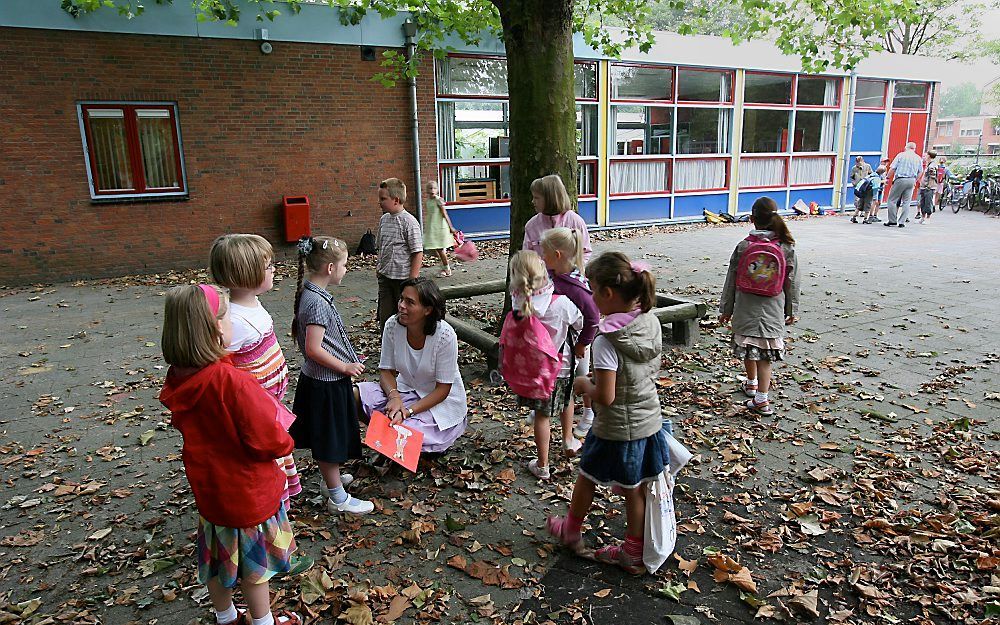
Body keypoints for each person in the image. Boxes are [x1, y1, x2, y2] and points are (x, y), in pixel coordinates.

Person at [159, 284, 301, 625]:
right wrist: (285, 443)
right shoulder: (230, 382)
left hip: (211, 489)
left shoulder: (179, 378)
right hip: (248, 491)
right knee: (255, 569)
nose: (230, 321)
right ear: (212, 328)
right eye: (224, 316)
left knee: (219, 559)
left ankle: (226, 617)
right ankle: (265, 621)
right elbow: (266, 438)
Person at [546, 251, 669, 575]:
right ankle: (632, 551)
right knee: (635, 487)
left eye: (592, 288)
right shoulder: (648, 322)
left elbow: (607, 395)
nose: (589, 294)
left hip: (615, 428)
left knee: (587, 477)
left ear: (608, 294)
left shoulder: (607, 342)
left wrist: (585, 385)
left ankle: (571, 531)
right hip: (647, 419)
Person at [209, 234, 300, 512]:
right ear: (246, 273)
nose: (274, 270)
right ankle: (272, 504)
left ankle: (280, 498)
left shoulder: (253, 303)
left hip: (272, 402)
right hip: (256, 409)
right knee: (267, 459)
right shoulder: (231, 319)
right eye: (268, 266)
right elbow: (223, 367)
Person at [290, 236, 373, 515]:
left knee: (331, 435)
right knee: (328, 439)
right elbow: (314, 349)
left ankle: (332, 482)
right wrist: (345, 367)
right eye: (344, 265)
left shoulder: (312, 294)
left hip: (324, 381)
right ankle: (337, 497)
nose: (346, 269)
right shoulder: (317, 303)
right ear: (329, 269)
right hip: (325, 383)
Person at [356, 277, 468, 453]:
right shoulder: (392, 325)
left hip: (438, 403)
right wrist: (394, 397)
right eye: (401, 299)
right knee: (353, 395)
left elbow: (443, 390)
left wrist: (407, 411)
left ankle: (396, 443)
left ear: (427, 310)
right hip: (404, 390)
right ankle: (385, 439)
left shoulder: (445, 336)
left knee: (402, 431)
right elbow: (386, 371)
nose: (401, 305)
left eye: (410, 302)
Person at [506, 250, 584, 480]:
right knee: (567, 399)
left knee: (542, 416)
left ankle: (542, 464)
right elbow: (580, 323)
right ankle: (567, 440)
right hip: (563, 365)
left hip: (535, 371)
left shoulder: (518, 302)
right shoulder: (562, 303)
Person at [719, 197, 799, 416]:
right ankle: (761, 398)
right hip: (772, 311)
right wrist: (791, 310)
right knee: (765, 355)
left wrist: (726, 308)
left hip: (746, 308)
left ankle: (752, 384)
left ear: (752, 219)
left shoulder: (744, 246)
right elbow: (792, 282)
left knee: (749, 349)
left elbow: (731, 279)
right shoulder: (786, 246)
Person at [540, 227, 599, 438]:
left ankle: (588, 414)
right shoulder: (552, 275)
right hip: (558, 341)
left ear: (556, 256)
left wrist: (583, 343)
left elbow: (593, 317)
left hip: (576, 344)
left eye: (543, 253)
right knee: (564, 379)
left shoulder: (576, 286)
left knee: (579, 377)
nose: (541, 256)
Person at [376, 177, 423, 331]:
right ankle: (387, 345)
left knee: (403, 316)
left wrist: (412, 280)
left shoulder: (409, 222)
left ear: (396, 200)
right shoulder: (384, 220)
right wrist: (379, 268)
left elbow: (417, 252)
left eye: (383, 199)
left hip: (402, 280)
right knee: (385, 317)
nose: (380, 202)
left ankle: (404, 347)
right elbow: (381, 246)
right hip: (385, 277)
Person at [522, 174, 593, 262]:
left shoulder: (575, 221)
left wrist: (573, 271)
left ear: (550, 198)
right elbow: (527, 257)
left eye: (536, 198)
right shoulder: (532, 226)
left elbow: (585, 252)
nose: (533, 201)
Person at [884, 142, 924, 228]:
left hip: (900, 179)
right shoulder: (918, 158)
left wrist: (887, 178)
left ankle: (892, 220)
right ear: (914, 149)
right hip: (911, 180)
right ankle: (902, 221)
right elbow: (920, 171)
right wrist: (915, 180)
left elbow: (893, 168)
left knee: (892, 200)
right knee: (906, 201)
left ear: (906, 147)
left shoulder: (901, 155)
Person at [422, 180, 457, 277]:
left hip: (440, 228)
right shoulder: (428, 201)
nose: (432, 190)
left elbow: (444, 214)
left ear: (437, 190)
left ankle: (447, 269)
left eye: (434, 188)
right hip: (432, 228)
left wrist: (451, 227)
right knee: (433, 250)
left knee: (440, 249)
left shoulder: (438, 200)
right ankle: (444, 266)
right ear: (427, 190)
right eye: (430, 188)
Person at [849, 156, 874, 222]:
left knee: (865, 200)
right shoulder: (854, 168)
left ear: (862, 161)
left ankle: (862, 213)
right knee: (857, 199)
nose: (858, 164)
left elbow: (871, 174)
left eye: (859, 163)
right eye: (857, 163)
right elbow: (852, 176)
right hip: (858, 186)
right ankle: (857, 212)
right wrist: (853, 183)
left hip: (865, 186)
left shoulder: (867, 166)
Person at [918, 150, 940, 224]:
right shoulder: (929, 164)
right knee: (923, 202)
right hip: (924, 186)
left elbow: (932, 177)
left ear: (929, 156)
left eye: (926, 155)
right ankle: (923, 217)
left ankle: (928, 218)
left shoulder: (932, 166)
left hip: (928, 187)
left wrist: (929, 186)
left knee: (928, 202)